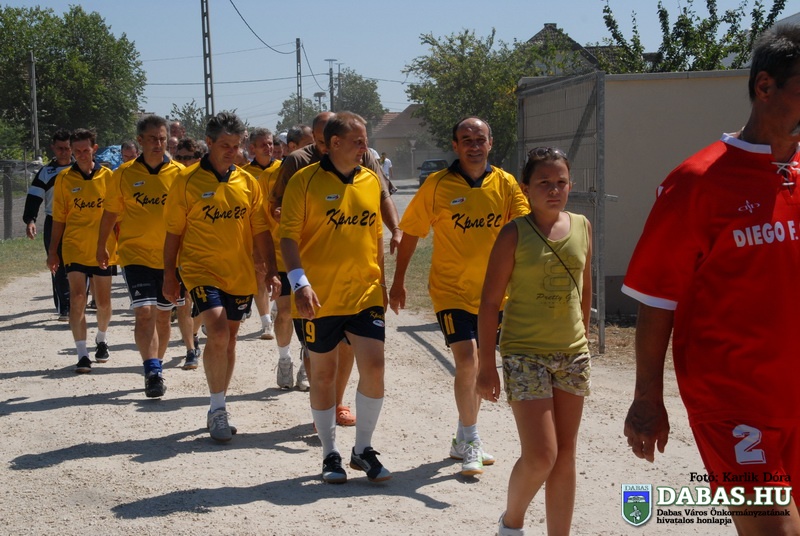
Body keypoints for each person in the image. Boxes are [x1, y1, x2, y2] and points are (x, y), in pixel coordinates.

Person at [622, 25, 800, 534]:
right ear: (765, 87)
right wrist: (647, 397)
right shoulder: (696, 183)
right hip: (733, 402)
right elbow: (657, 298)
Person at [390, 116, 529, 476]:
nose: (473, 145)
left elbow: (527, 229)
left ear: (490, 142)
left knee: (480, 365)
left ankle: (462, 436)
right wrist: (399, 281)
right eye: (466, 139)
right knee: (468, 361)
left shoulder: (506, 184)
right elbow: (411, 233)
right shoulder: (437, 185)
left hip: (494, 295)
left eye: (479, 139)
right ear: (455, 145)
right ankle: (472, 441)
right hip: (450, 290)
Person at [477, 147, 592, 536]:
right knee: (542, 455)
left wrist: (583, 336)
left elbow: (584, 289)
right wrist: (486, 366)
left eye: (561, 182)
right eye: (544, 182)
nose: (554, 190)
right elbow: (489, 302)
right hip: (525, 354)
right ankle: (511, 523)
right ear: (525, 188)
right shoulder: (514, 233)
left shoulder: (582, 227)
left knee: (566, 454)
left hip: (572, 355)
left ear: (570, 185)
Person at [280, 111, 391, 484]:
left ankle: (363, 450)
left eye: (365, 140)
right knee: (324, 374)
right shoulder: (304, 181)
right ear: (335, 143)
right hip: (319, 296)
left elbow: (376, 235)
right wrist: (299, 283)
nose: (364, 147)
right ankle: (330, 453)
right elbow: (288, 238)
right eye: (358, 141)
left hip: (364, 293)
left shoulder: (370, 180)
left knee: (374, 365)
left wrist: (383, 282)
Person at [163, 112, 280, 442]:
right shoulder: (186, 181)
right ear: (209, 143)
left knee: (229, 338)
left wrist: (271, 270)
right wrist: (169, 274)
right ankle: (217, 409)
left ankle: (220, 403)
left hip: (238, 272)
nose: (231, 151)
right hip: (200, 269)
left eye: (236, 145)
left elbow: (260, 230)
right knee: (216, 331)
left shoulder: (248, 183)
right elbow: (173, 232)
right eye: (224, 145)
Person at [96, 115, 187, 398]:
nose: (158, 144)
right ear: (140, 140)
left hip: (171, 258)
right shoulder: (123, 174)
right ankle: (152, 371)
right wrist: (101, 245)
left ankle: (156, 364)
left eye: (162, 138)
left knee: (163, 316)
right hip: (135, 254)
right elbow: (110, 212)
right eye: (152, 139)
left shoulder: (180, 174)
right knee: (145, 312)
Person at [47, 128, 117, 373]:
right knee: (77, 298)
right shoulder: (64, 178)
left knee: (103, 303)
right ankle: (82, 353)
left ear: (94, 149)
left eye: (85, 150)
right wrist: (53, 251)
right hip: (74, 246)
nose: (81, 155)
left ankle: (101, 338)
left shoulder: (109, 177)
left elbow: (117, 215)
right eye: (76, 151)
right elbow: (59, 218)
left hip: (103, 248)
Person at [22, 129, 73, 321]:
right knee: (56, 263)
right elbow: (34, 198)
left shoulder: (81, 168)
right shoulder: (46, 172)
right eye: (60, 148)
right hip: (54, 221)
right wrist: (30, 220)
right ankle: (65, 307)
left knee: (78, 264)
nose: (63, 152)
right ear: (53, 148)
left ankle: (78, 302)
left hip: (79, 222)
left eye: (67, 148)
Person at [242, 127, 282, 342]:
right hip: (258, 235)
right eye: (263, 145)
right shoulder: (244, 173)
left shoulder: (283, 169)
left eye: (270, 143)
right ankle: (266, 322)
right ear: (252, 148)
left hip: (281, 235)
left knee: (282, 276)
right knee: (259, 275)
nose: (268, 148)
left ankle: (276, 308)